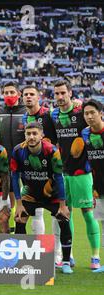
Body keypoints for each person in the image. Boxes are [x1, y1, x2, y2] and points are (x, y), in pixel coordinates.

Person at [50, 80, 101, 270]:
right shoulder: (53, 114)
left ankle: (95, 257)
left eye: (63, 93)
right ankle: (68, 255)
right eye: (56, 94)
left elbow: (94, 116)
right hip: (63, 174)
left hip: (83, 172)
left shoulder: (81, 112)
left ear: (70, 93)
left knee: (89, 214)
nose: (60, 97)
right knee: (65, 215)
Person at [11, 122, 73, 274]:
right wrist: (19, 204)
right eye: (28, 133)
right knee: (20, 219)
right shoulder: (18, 151)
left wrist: (62, 204)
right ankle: (20, 260)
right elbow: (14, 177)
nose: (31, 137)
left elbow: (59, 177)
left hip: (51, 195)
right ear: (25, 135)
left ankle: (65, 262)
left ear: (41, 135)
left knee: (64, 220)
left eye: (34, 133)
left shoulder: (52, 151)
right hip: (30, 194)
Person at [0, 81, 26, 233]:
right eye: (6, 93)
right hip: (4, 164)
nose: (9, 95)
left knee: (29, 198)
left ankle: (24, 230)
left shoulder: (27, 112)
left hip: (25, 163)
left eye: (12, 92)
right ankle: (9, 227)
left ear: (19, 94)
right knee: (7, 198)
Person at [81, 99, 104, 273]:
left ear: (100, 113)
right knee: (102, 223)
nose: (89, 116)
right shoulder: (85, 134)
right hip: (98, 187)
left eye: (92, 113)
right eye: (86, 113)